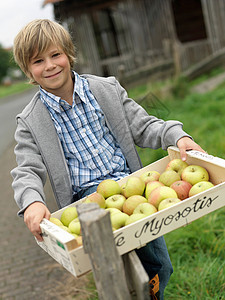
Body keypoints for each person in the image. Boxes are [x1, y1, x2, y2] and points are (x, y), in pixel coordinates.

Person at [11, 19, 205, 299]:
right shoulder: (31, 121)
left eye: (55, 55)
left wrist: (175, 135)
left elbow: (144, 125)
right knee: (118, 271)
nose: (50, 65)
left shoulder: (105, 90)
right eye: (38, 61)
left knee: (159, 267)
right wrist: (32, 201)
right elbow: (27, 168)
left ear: (68, 53)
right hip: (88, 204)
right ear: (27, 69)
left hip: (133, 188)